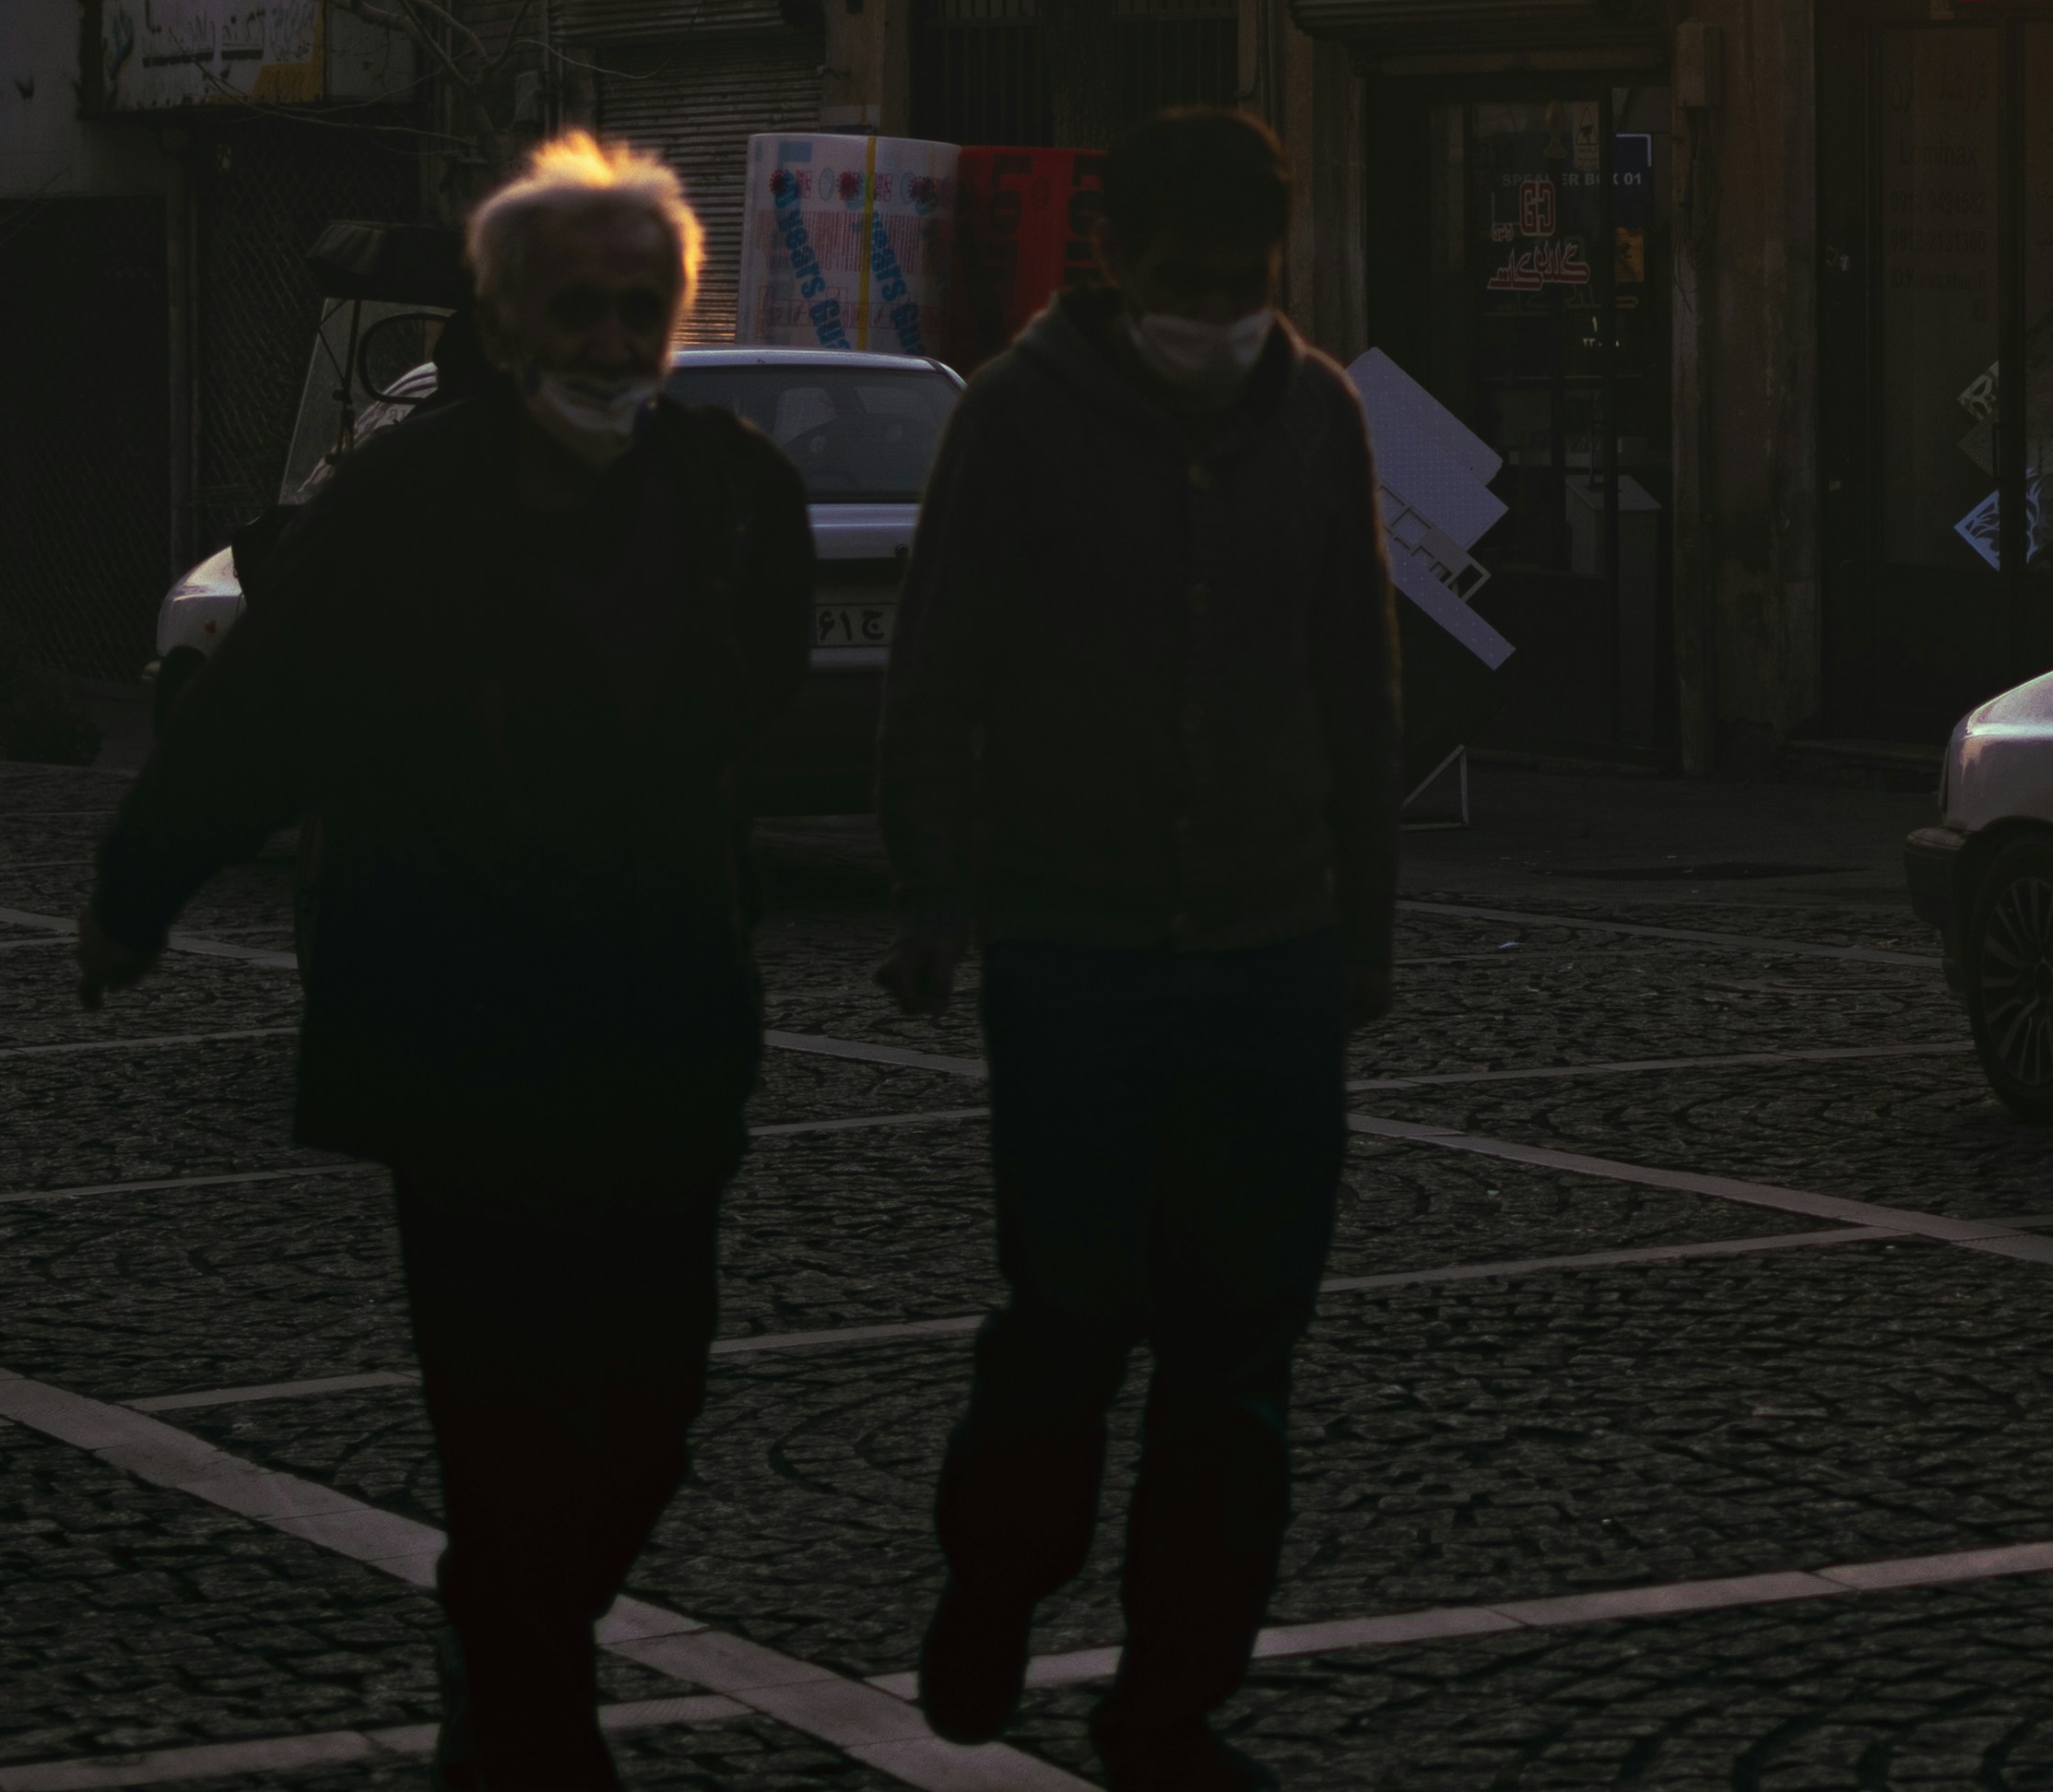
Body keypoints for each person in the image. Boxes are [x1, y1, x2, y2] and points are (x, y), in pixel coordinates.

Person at [77, 136, 812, 1792]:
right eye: (576, 310)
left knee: (649, 1409)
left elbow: (746, 698)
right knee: (503, 1418)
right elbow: (261, 713)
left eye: (643, 311)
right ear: (500, 324)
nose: (611, 344)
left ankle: (508, 1632)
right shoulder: (399, 508)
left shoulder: (730, 496)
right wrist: (138, 893)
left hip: (663, 1024)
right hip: (461, 1026)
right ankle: (529, 1717)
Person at [882, 105, 1397, 1792]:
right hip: (1077, 949)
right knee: (1067, 1323)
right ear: (1115, 262)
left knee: (1239, 1359)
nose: (1214, 311)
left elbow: (1357, 687)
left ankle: (1168, 1705)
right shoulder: (1020, 423)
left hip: (1267, 948)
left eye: (1242, 281)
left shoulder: (1315, 420)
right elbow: (938, 669)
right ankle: (998, 1585)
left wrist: (1360, 930)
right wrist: (932, 906)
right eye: (1186, 280)